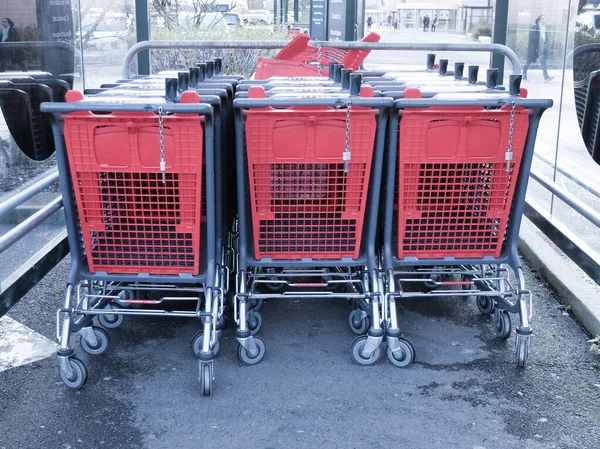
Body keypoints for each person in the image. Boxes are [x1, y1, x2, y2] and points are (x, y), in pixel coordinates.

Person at [523, 14, 553, 82]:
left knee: (543, 62)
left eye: (545, 19)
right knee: (529, 61)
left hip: (542, 47)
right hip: (535, 48)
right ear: (539, 20)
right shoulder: (535, 27)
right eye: (542, 19)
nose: (544, 20)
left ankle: (546, 76)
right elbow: (532, 38)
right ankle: (524, 74)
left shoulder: (544, 28)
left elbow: (545, 37)